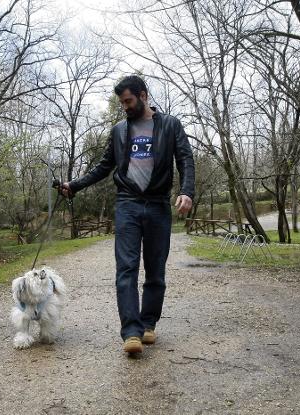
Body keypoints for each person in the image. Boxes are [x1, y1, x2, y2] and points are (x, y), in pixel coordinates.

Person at [60, 75, 195, 354]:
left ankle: (148, 325)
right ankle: (131, 332)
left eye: (128, 101)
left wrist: (187, 191)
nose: (125, 106)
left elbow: (185, 159)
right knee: (126, 269)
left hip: (158, 205)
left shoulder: (170, 125)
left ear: (143, 95)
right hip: (127, 204)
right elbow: (103, 166)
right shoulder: (119, 130)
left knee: (155, 271)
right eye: (122, 102)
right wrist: (74, 185)